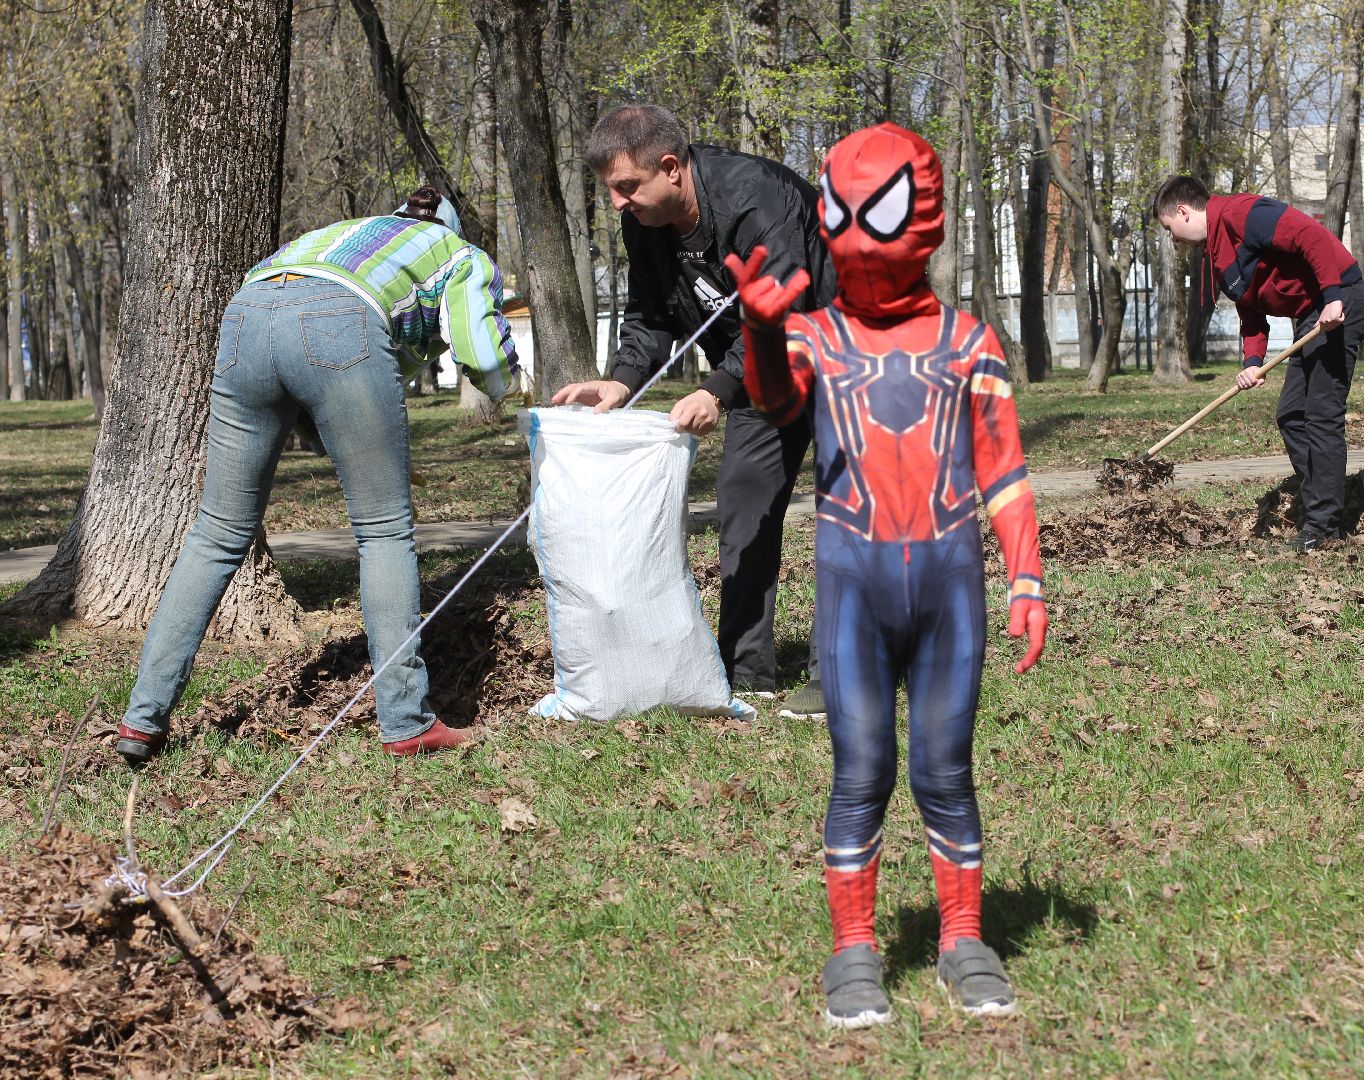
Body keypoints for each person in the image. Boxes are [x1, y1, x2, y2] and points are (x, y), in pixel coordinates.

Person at [727, 123, 1048, 1028]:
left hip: (951, 587)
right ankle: (854, 951)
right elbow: (777, 400)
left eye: (883, 213)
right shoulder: (815, 337)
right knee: (859, 768)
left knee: (946, 768)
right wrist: (758, 328)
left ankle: (962, 937)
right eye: (845, 214)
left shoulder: (970, 343)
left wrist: (1026, 580)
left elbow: (1006, 472)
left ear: (927, 219)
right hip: (852, 589)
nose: (863, 238)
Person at [115, 187, 519, 764]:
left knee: (217, 532)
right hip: (341, 319)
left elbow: (308, 346)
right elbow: (481, 352)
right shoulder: (460, 254)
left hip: (247, 313)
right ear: (452, 226)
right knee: (383, 532)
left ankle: (142, 720)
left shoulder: (337, 236)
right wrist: (523, 401)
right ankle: (406, 721)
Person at [550, 105, 835, 717]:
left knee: (844, 513)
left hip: (840, 355)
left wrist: (718, 389)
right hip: (754, 371)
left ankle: (835, 670)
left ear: (671, 169)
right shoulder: (645, 223)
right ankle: (746, 667)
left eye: (627, 187)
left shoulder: (758, 198)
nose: (619, 202)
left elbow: (784, 309)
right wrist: (622, 382)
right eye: (611, 192)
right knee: (743, 498)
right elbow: (652, 316)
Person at [1155, 175, 1364, 552]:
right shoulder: (1218, 255)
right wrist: (1252, 362)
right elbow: (1251, 316)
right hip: (1310, 315)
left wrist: (1334, 297)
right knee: (1291, 415)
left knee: (1321, 413)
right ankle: (1323, 501)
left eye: (1169, 228)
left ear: (1183, 212)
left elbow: (1313, 237)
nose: (1172, 238)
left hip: (1338, 302)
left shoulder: (1246, 214)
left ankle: (1324, 526)